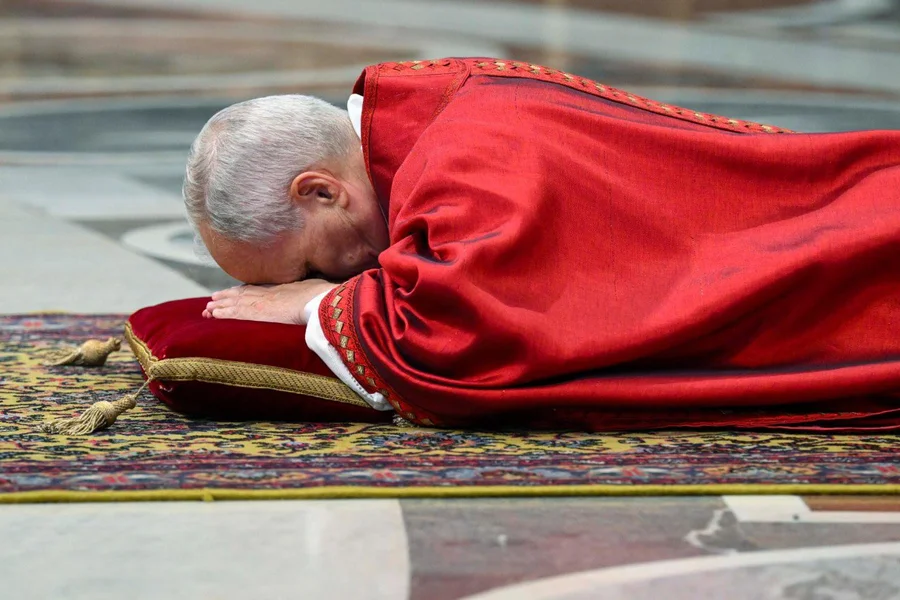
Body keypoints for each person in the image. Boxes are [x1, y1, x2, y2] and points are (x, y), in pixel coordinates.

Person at [182, 58, 900, 431]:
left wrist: (322, 307)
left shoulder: (461, 155)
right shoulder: (431, 120)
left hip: (864, 254)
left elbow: (461, 331)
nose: (313, 280)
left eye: (305, 263)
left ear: (320, 191)